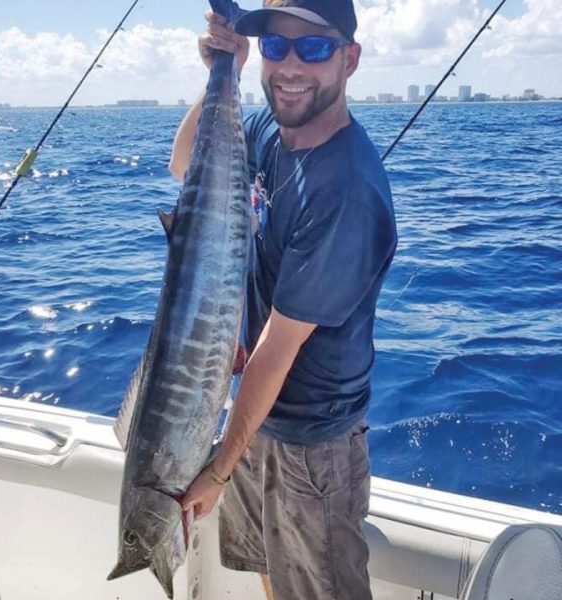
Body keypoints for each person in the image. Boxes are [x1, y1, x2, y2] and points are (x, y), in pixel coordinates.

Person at [171, 1, 398, 598]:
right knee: (268, 572)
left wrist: (219, 467)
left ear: (350, 59)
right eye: (276, 47)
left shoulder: (347, 189)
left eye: (314, 48)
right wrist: (226, 69)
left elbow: (278, 346)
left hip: (312, 445)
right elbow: (184, 164)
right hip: (254, 416)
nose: (291, 65)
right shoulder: (273, 128)